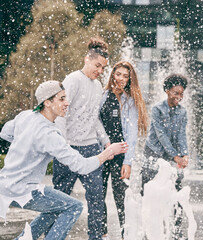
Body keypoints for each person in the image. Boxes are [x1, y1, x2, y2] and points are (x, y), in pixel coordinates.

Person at [0, 81, 128, 240]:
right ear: (47, 102)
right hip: (23, 190)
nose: (67, 103)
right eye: (61, 99)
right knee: (74, 207)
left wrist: (26, 144)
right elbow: (82, 166)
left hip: (5, 184)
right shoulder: (50, 135)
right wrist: (108, 152)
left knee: (55, 208)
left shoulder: (25, 116)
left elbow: (5, 132)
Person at [52, 37, 111, 240]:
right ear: (87, 59)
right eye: (97, 65)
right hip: (68, 148)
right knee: (60, 198)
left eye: (103, 68)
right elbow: (61, 114)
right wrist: (63, 146)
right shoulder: (72, 80)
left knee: (96, 198)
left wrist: (105, 141)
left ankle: (95, 237)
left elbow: (94, 119)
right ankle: (53, 236)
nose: (100, 71)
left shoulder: (97, 86)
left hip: (91, 149)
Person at [99, 61, 148, 239]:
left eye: (125, 76)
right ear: (112, 75)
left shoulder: (130, 101)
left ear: (129, 80)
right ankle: (101, 234)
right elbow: (95, 122)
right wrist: (105, 144)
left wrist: (128, 162)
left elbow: (132, 134)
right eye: (117, 74)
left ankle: (125, 234)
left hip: (120, 155)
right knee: (98, 195)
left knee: (121, 198)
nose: (120, 78)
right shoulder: (103, 95)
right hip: (102, 153)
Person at [141, 74, 189, 191]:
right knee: (149, 189)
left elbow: (181, 135)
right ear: (167, 91)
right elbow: (161, 134)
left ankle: (176, 209)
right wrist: (175, 156)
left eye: (181, 94)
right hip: (153, 151)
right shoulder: (157, 109)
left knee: (175, 187)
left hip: (172, 154)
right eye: (175, 93)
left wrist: (184, 154)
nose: (179, 97)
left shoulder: (182, 112)